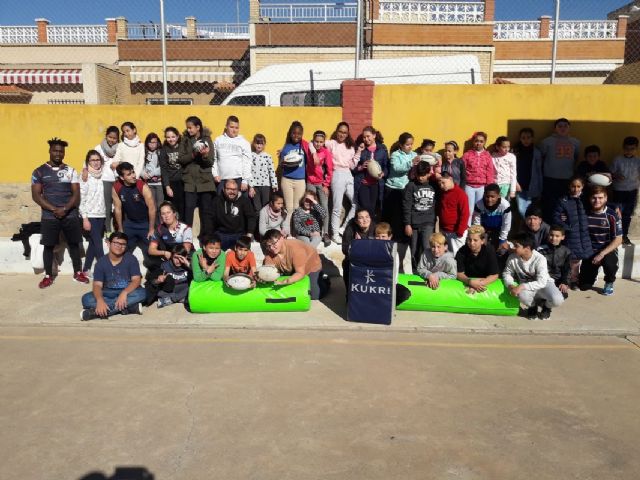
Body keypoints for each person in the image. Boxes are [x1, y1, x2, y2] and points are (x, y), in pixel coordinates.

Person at [31, 137, 87, 288]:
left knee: (74, 244)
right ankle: (48, 275)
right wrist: (54, 209)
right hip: (50, 216)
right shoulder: (38, 171)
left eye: (61, 151)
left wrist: (65, 209)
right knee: (48, 246)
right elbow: (36, 196)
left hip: (70, 214)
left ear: (64, 153)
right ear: (49, 151)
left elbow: (76, 194)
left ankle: (78, 273)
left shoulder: (71, 170)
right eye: (55, 150)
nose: (58, 153)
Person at [80, 232, 146, 321]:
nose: (119, 246)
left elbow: (136, 280)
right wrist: (100, 301)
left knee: (142, 293)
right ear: (108, 243)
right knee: (86, 299)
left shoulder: (131, 259)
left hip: (127, 292)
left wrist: (124, 293)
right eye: (116, 243)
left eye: (123, 244)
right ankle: (127, 309)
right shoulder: (101, 262)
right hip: (107, 293)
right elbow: (97, 285)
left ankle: (98, 312)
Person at [504, 232, 564, 320]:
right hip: (527, 288)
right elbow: (507, 273)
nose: (513, 248)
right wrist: (510, 285)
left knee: (558, 299)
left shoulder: (540, 259)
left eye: (516, 246)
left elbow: (542, 282)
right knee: (521, 295)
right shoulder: (512, 258)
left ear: (527, 248)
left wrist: (522, 286)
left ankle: (546, 307)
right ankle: (532, 307)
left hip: (544, 285)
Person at [262, 229, 329, 300]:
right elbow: (268, 270)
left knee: (314, 295)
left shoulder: (295, 248)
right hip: (291, 268)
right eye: (268, 246)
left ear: (281, 238)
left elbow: (300, 273)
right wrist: (263, 277)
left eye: (274, 243)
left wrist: (286, 281)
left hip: (310, 266)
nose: (271, 248)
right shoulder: (269, 250)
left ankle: (324, 280)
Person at [579, 186, 623, 295]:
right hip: (590, 250)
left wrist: (602, 254)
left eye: (600, 198)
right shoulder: (584, 213)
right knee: (584, 286)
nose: (597, 201)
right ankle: (593, 272)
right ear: (589, 199)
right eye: (594, 198)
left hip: (607, 250)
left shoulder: (612, 215)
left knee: (610, 265)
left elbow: (618, 239)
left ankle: (609, 282)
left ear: (606, 198)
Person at [112, 162, 156, 267]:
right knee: (122, 249)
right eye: (129, 174)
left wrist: (151, 229)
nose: (133, 175)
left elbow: (152, 208)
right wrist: (120, 229)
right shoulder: (117, 187)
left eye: (133, 172)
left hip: (145, 223)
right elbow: (118, 209)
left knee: (150, 253)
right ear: (122, 177)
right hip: (130, 223)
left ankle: (153, 274)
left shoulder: (142, 186)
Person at [178, 115, 216, 238]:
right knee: (188, 211)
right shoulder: (185, 140)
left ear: (198, 127)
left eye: (190, 127)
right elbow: (182, 159)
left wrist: (204, 155)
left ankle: (206, 238)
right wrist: (194, 154)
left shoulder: (207, 139)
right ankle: (187, 239)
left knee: (206, 212)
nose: (188, 130)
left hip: (205, 182)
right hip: (189, 182)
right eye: (187, 128)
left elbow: (210, 161)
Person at [553, 176, 593, 288]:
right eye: (573, 186)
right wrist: (566, 227)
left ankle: (579, 278)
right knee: (573, 259)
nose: (576, 189)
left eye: (578, 186)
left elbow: (599, 204)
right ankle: (572, 280)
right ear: (569, 186)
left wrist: (616, 207)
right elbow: (556, 216)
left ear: (583, 187)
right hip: (572, 234)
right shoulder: (564, 200)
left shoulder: (586, 199)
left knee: (582, 258)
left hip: (584, 234)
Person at [540, 118, 580, 222]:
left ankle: (563, 228)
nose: (563, 128)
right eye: (560, 126)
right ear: (555, 128)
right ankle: (549, 227)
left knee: (565, 203)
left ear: (569, 128)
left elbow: (576, 157)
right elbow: (542, 157)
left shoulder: (575, 142)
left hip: (568, 178)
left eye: (565, 126)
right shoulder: (546, 142)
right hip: (550, 178)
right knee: (549, 204)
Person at [279, 121, 315, 229]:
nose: (296, 135)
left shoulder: (304, 145)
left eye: (299, 133)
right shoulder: (286, 147)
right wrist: (284, 162)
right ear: (290, 133)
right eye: (294, 133)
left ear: (302, 134)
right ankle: (287, 231)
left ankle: (296, 230)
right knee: (289, 208)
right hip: (287, 180)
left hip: (300, 181)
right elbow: (281, 164)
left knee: (297, 207)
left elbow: (312, 152)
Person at [326, 122, 357, 243]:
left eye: (344, 132)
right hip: (337, 173)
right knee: (337, 207)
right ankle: (334, 234)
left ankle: (343, 228)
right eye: (340, 132)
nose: (342, 134)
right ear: (336, 131)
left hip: (348, 174)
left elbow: (353, 165)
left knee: (356, 203)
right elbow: (313, 144)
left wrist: (358, 153)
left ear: (347, 133)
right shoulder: (331, 143)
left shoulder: (351, 147)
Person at [385, 132, 417, 250]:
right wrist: (411, 163)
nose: (410, 147)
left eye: (411, 144)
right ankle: (394, 240)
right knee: (395, 217)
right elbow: (397, 168)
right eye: (407, 145)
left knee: (406, 215)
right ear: (401, 145)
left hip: (407, 189)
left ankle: (405, 241)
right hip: (394, 189)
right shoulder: (395, 155)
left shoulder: (414, 154)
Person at [403, 161, 436, 267]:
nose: (420, 178)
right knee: (412, 249)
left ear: (429, 174)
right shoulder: (411, 186)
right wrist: (407, 224)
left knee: (426, 247)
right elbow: (406, 206)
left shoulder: (434, 185)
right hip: (413, 223)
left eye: (423, 175)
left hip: (428, 222)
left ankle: (425, 270)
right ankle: (410, 270)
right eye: (418, 175)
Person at [79, 149, 106, 276]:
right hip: (90, 215)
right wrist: (84, 218)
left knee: (93, 243)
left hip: (102, 214)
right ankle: (104, 272)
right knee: (98, 244)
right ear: (87, 162)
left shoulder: (104, 173)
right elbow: (81, 199)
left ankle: (86, 269)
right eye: (92, 160)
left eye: (97, 159)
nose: (96, 163)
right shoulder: (85, 176)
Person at [353, 126, 388, 218]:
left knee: (373, 208)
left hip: (376, 184)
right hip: (363, 183)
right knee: (365, 208)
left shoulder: (382, 149)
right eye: (364, 137)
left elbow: (386, 167)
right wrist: (361, 167)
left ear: (374, 135)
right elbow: (353, 167)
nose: (366, 139)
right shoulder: (361, 148)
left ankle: (371, 230)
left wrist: (383, 173)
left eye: (368, 136)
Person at [211, 179, 256, 250]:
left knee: (244, 253)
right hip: (222, 234)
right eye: (229, 189)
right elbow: (210, 218)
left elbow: (251, 217)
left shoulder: (244, 201)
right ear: (223, 189)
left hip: (239, 234)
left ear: (238, 190)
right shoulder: (216, 201)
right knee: (215, 253)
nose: (232, 192)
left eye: (234, 189)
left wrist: (249, 235)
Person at [610, 136, 640, 245]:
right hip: (619, 190)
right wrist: (616, 175)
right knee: (618, 213)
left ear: (636, 148)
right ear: (623, 148)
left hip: (632, 191)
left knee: (628, 214)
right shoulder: (617, 159)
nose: (629, 151)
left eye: (632, 148)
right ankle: (615, 235)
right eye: (627, 148)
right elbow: (610, 173)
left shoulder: (638, 161)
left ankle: (624, 235)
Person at [306, 130, 334, 244]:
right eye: (316, 141)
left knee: (324, 207)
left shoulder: (326, 152)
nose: (318, 144)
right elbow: (304, 142)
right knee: (310, 206)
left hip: (321, 184)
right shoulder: (309, 149)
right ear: (313, 141)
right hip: (310, 182)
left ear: (324, 142)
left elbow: (330, 169)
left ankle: (325, 232)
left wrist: (326, 185)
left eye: (321, 142)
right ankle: (311, 230)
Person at [455, 225, 500, 294]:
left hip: (484, 280)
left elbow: (494, 275)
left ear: (482, 241)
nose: (472, 243)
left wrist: (479, 284)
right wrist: (469, 282)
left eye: (475, 240)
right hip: (468, 279)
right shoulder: (462, 251)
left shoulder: (489, 250)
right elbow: (459, 273)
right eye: (469, 240)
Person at [213, 115, 252, 194]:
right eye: (231, 127)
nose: (234, 130)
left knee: (239, 205)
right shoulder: (218, 140)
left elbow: (247, 162)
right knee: (221, 205)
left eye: (236, 128)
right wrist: (215, 174)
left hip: (239, 179)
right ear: (226, 126)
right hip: (221, 179)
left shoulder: (244, 142)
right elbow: (214, 159)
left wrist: (245, 180)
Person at [462, 132, 495, 223]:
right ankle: (467, 228)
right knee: (469, 209)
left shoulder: (487, 156)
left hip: (481, 186)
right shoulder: (467, 155)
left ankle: (477, 229)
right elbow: (462, 170)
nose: (478, 143)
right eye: (476, 141)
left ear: (484, 142)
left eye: (481, 141)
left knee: (479, 208)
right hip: (469, 186)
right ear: (473, 142)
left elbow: (490, 171)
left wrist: (489, 187)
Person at [471, 183, 512, 256]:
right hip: (485, 230)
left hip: (499, 230)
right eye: (487, 196)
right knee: (480, 249)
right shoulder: (479, 205)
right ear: (484, 194)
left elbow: (506, 224)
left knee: (502, 251)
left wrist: (502, 240)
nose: (489, 199)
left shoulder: (505, 206)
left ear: (499, 195)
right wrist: (479, 237)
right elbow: (476, 223)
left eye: (493, 197)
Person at [148, 201, 193, 265]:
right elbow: (151, 250)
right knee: (149, 262)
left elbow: (186, 250)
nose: (166, 216)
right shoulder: (159, 229)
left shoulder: (185, 228)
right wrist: (164, 253)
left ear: (174, 213)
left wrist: (172, 256)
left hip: (187, 258)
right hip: (171, 258)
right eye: (163, 214)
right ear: (161, 216)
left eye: (168, 212)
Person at [341, 208, 376, 290]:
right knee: (346, 263)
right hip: (355, 259)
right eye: (361, 218)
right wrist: (357, 245)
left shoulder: (375, 228)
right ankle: (350, 293)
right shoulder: (350, 229)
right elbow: (345, 249)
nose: (365, 220)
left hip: (372, 260)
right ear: (356, 221)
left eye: (367, 217)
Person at [512, 127, 543, 219]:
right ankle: (529, 228)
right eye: (523, 138)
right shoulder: (515, 151)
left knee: (529, 210)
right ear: (520, 138)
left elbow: (539, 170)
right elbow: (511, 169)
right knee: (522, 210)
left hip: (532, 185)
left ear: (532, 138)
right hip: (519, 186)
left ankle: (528, 229)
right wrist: (515, 183)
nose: (526, 140)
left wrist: (540, 188)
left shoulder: (536, 152)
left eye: (528, 137)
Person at [94, 125, 120, 233]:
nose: (112, 140)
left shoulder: (121, 148)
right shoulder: (98, 148)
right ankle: (108, 230)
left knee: (118, 206)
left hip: (118, 180)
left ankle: (119, 229)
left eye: (114, 138)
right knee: (107, 207)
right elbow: (90, 162)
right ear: (106, 136)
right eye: (110, 137)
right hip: (104, 180)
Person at [436, 172, 469, 256]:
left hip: (456, 232)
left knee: (457, 256)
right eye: (439, 184)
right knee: (446, 255)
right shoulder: (443, 193)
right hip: (445, 230)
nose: (441, 186)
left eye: (443, 183)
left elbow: (465, 214)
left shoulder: (460, 194)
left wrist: (460, 231)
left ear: (450, 179)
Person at [151, 244, 191, 308]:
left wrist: (189, 265)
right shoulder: (165, 265)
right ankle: (181, 299)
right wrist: (158, 281)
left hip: (184, 289)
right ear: (172, 256)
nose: (177, 261)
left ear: (185, 257)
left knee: (191, 288)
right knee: (159, 292)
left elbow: (198, 278)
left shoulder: (189, 265)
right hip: (171, 290)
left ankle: (171, 299)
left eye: (180, 258)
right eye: (175, 257)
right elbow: (153, 283)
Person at [537, 225, 572, 298]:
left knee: (562, 296)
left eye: (557, 236)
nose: (553, 238)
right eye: (551, 235)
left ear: (562, 237)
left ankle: (547, 307)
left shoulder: (566, 251)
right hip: (543, 279)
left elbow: (566, 269)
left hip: (557, 280)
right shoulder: (540, 249)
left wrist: (564, 282)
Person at [159, 126, 184, 221]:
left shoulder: (183, 147)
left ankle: (182, 226)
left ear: (177, 136)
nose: (171, 139)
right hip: (171, 182)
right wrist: (167, 186)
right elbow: (164, 169)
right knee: (174, 207)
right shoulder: (164, 150)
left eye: (173, 136)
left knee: (183, 206)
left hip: (183, 181)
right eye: (168, 137)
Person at [249, 133, 278, 214]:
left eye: (261, 143)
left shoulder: (267, 156)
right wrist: (251, 186)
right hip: (255, 186)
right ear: (254, 144)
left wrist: (274, 184)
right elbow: (248, 171)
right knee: (257, 207)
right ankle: (258, 225)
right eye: (257, 143)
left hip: (265, 185)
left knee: (266, 206)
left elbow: (271, 171)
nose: (259, 146)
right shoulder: (251, 156)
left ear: (264, 144)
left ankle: (266, 225)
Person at [142, 132, 164, 210]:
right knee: (152, 205)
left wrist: (152, 173)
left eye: (154, 142)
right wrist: (142, 173)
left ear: (157, 143)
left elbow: (163, 167)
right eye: (150, 142)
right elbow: (141, 166)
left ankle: (160, 222)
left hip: (159, 183)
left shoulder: (160, 153)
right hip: (149, 183)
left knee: (160, 205)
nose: (152, 145)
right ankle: (154, 222)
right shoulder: (144, 153)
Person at [491, 136, 517, 200]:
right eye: (504, 147)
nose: (507, 149)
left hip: (506, 185)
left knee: (503, 203)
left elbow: (513, 174)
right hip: (495, 184)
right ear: (497, 147)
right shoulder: (493, 156)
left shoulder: (511, 157)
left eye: (508, 147)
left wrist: (512, 191)